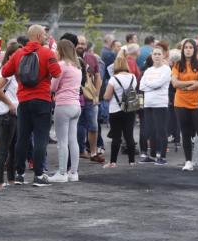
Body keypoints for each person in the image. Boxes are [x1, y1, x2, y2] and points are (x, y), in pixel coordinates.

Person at [2, 24, 61, 187]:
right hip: (42, 99)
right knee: (41, 138)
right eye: (44, 35)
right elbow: (57, 73)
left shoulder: (18, 53)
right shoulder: (47, 52)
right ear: (40, 37)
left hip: (24, 100)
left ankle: (19, 174)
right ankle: (39, 174)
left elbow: (5, 72)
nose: (46, 37)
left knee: (22, 138)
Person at [171, 39, 198, 172]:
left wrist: (186, 84)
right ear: (182, 50)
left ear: (194, 50)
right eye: (186, 47)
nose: (188, 49)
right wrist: (192, 82)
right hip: (180, 103)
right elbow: (175, 84)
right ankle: (188, 161)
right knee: (186, 133)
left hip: (197, 103)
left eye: (190, 47)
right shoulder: (177, 64)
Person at [49, 39, 82, 183]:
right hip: (76, 105)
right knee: (73, 140)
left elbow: (53, 87)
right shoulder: (77, 66)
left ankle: (62, 173)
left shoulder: (62, 65)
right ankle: (73, 172)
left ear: (61, 51)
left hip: (63, 105)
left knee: (62, 141)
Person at [0, 44, 21, 189]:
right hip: (5, 114)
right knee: (3, 150)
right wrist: (10, 104)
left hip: (12, 114)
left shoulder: (14, 71)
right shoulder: (6, 71)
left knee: (13, 149)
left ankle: (10, 179)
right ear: (11, 56)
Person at [139, 41, 172, 165]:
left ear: (163, 56)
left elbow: (159, 84)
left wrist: (150, 84)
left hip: (160, 104)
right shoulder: (148, 70)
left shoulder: (166, 69)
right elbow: (142, 86)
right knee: (150, 130)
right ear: (151, 56)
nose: (157, 56)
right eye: (155, 54)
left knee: (161, 130)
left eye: (159, 54)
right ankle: (151, 155)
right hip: (148, 103)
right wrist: (152, 84)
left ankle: (162, 156)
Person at [103, 50, 138, 167]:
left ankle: (113, 162)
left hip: (115, 110)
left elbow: (107, 96)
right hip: (130, 109)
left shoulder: (113, 79)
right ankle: (132, 161)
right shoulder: (133, 77)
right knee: (129, 136)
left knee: (116, 137)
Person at [76, 35, 103, 163]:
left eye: (83, 43)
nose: (81, 46)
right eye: (78, 43)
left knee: (93, 125)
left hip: (89, 97)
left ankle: (93, 152)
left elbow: (98, 77)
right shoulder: (69, 58)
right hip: (74, 97)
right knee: (79, 125)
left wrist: (97, 94)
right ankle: (80, 150)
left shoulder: (92, 58)